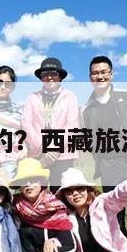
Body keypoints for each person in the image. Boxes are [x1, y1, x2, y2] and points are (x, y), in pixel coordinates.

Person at [81, 55, 127, 252]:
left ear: (111, 74)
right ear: (90, 77)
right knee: (115, 216)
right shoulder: (87, 109)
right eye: (95, 73)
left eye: (104, 72)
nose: (100, 76)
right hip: (109, 168)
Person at [21, 57, 79, 193]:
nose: (49, 77)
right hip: (38, 154)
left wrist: (53, 150)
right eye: (45, 75)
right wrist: (41, 146)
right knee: (36, 192)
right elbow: (26, 123)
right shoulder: (32, 97)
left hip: (63, 155)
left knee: (59, 193)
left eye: (53, 74)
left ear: (60, 77)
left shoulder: (70, 96)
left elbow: (71, 126)